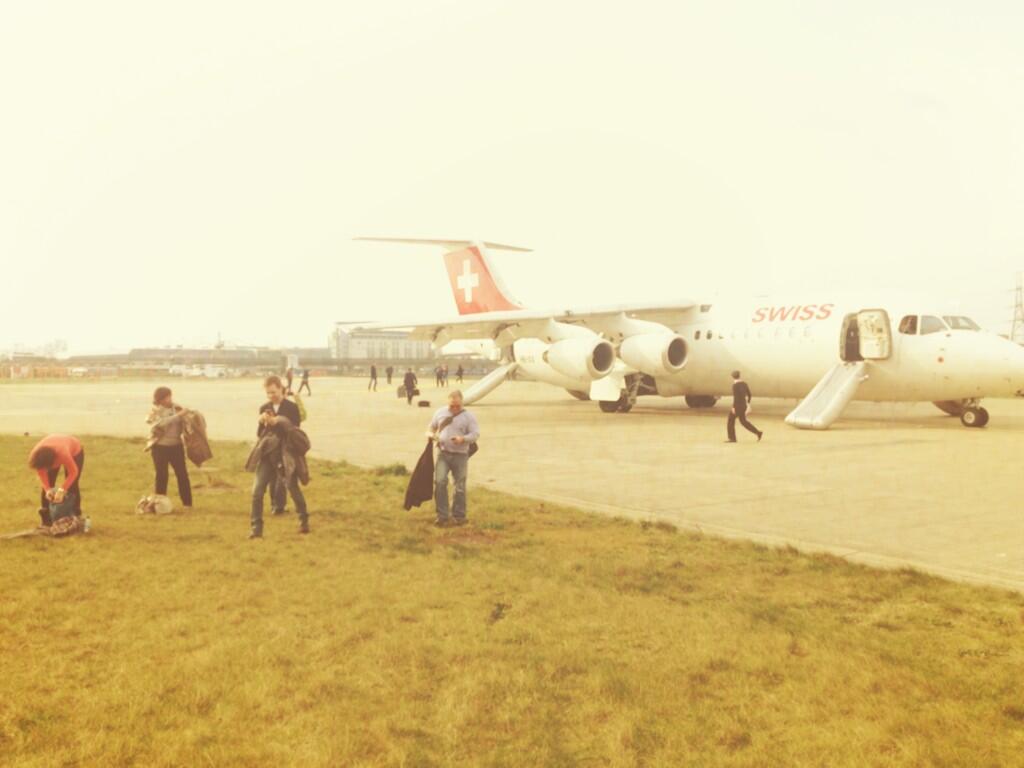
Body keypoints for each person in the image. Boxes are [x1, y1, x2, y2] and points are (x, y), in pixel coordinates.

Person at [250, 375, 309, 537]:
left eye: (273, 392)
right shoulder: (264, 407)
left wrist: (279, 421)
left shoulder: (291, 407)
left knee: (292, 487)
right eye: (268, 393)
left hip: (286, 454)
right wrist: (262, 422)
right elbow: (260, 434)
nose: (271, 396)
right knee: (257, 490)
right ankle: (256, 528)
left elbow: (294, 431)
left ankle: (303, 520)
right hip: (268, 454)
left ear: (281, 389)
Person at [427, 390, 480, 527]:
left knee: (460, 486)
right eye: (452, 406)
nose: (455, 408)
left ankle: (459, 516)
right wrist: (431, 435)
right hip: (443, 454)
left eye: (457, 405)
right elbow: (431, 427)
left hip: (461, 455)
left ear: (462, 402)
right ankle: (442, 516)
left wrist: (463, 439)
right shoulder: (440, 413)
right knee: (440, 482)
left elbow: (475, 434)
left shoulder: (469, 417)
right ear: (447, 402)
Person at [146, 386, 193, 508]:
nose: (169, 399)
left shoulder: (177, 408)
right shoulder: (155, 410)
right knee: (162, 475)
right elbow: (159, 423)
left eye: (170, 396)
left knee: (182, 474)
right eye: (166, 397)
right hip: (160, 447)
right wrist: (178, 416)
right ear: (159, 399)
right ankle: (160, 504)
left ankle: (187, 503)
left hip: (176, 446)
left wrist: (189, 417)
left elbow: (188, 423)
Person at [28, 434, 85, 526]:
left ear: (54, 462)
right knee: (48, 484)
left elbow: (73, 472)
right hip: (52, 451)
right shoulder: (36, 456)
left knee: (72, 485)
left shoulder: (62, 454)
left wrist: (62, 490)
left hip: (75, 450)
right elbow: (41, 472)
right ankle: (46, 519)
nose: (46, 469)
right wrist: (47, 490)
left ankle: (76, 516)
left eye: (48, 467)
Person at [726, 370, 763, 443]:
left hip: (737, 406)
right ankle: (758, 432)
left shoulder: (735, 386)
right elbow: (749, 395)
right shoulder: (744, 384)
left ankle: (732, 438)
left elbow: (736, 398)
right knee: (743, 421)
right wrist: (748, 403)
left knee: (730, 421)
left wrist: (733, 407)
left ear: (733, 377)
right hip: (743, 406)